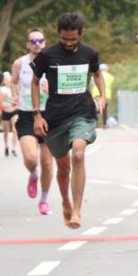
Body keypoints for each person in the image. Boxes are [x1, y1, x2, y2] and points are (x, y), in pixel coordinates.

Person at [31, 12, 106, 229]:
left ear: (81, 34)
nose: (69, 43)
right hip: (55, 117)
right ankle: (65, 201)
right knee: (63, 169)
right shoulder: (47, 55)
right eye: (64, 39)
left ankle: (77, 212)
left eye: (73, 39)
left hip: (82, 111)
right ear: (59, 34)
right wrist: (37, 114)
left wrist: (102, 95)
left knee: (79, 155)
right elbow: (35, 82)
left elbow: (97, 74)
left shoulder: (90, 53)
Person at [11, 27, 55, 215]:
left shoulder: (53, 62)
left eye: (40, 41)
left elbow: (61, 86)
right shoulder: (20, 63)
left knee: (47, 162)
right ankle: (33, 174)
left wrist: (50, 87)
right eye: (33, 41)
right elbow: (14, 82)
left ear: (44, 42)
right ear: (28, 44)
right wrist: (14, 96)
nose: (37, 44)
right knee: (31, 158)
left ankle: (44, 200)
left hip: (49, 115)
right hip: (27, 114)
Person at [0, 72, 18, 157]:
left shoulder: (15, 88)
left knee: (15, 129)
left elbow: (19, 98)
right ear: (4, 81)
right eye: (6, 80)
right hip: (5, 111)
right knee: (5, 132)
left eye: (9, 79)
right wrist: (3, 98)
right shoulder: (2, 89)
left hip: (14, 111)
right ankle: (6, 146)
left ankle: (13, 148)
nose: (8, 81)